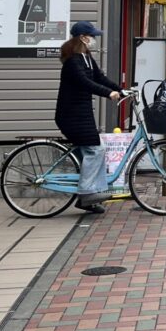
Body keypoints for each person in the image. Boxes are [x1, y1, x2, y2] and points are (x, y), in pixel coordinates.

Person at [54, 21, 122, 215]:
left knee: (97, 149)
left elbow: (99, 78)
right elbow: (85, 82)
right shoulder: (72, 61)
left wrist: (120, 89)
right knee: (95, 150)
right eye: (92, 36)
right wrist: (108, 93)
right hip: (70, 115)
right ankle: (86, 193)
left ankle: (92, 195)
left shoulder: (86, 57)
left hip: (82, 114)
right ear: (83, 37)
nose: (94, 39)